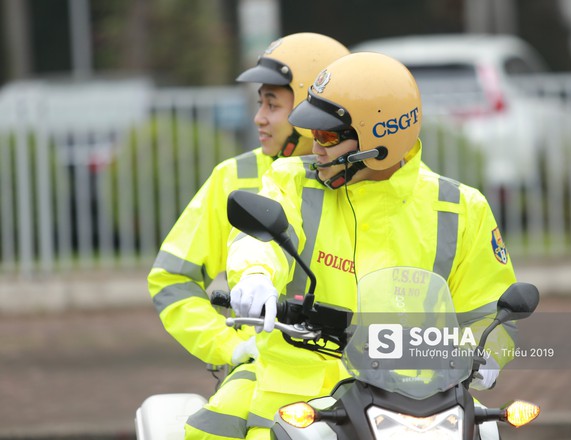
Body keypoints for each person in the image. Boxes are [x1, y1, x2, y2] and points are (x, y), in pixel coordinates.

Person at [226, 52, 517, 439]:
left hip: (419, 404)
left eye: (328, 136)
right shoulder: (293, 182)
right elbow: (260, 241)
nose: (316, 148)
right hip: (296, 400)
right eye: (314, 134)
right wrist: (256, 274)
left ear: (381, 140)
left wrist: (488, 355)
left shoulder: (461, 208)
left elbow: (491, 312)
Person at [146, 33, 350, 439]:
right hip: (265, 373)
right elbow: (171, 279)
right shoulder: (233, 177)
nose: (259, 117)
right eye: (261, 102)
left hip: (368, 372)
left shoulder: (367, 183)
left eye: (272, 104)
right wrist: (229, 347)